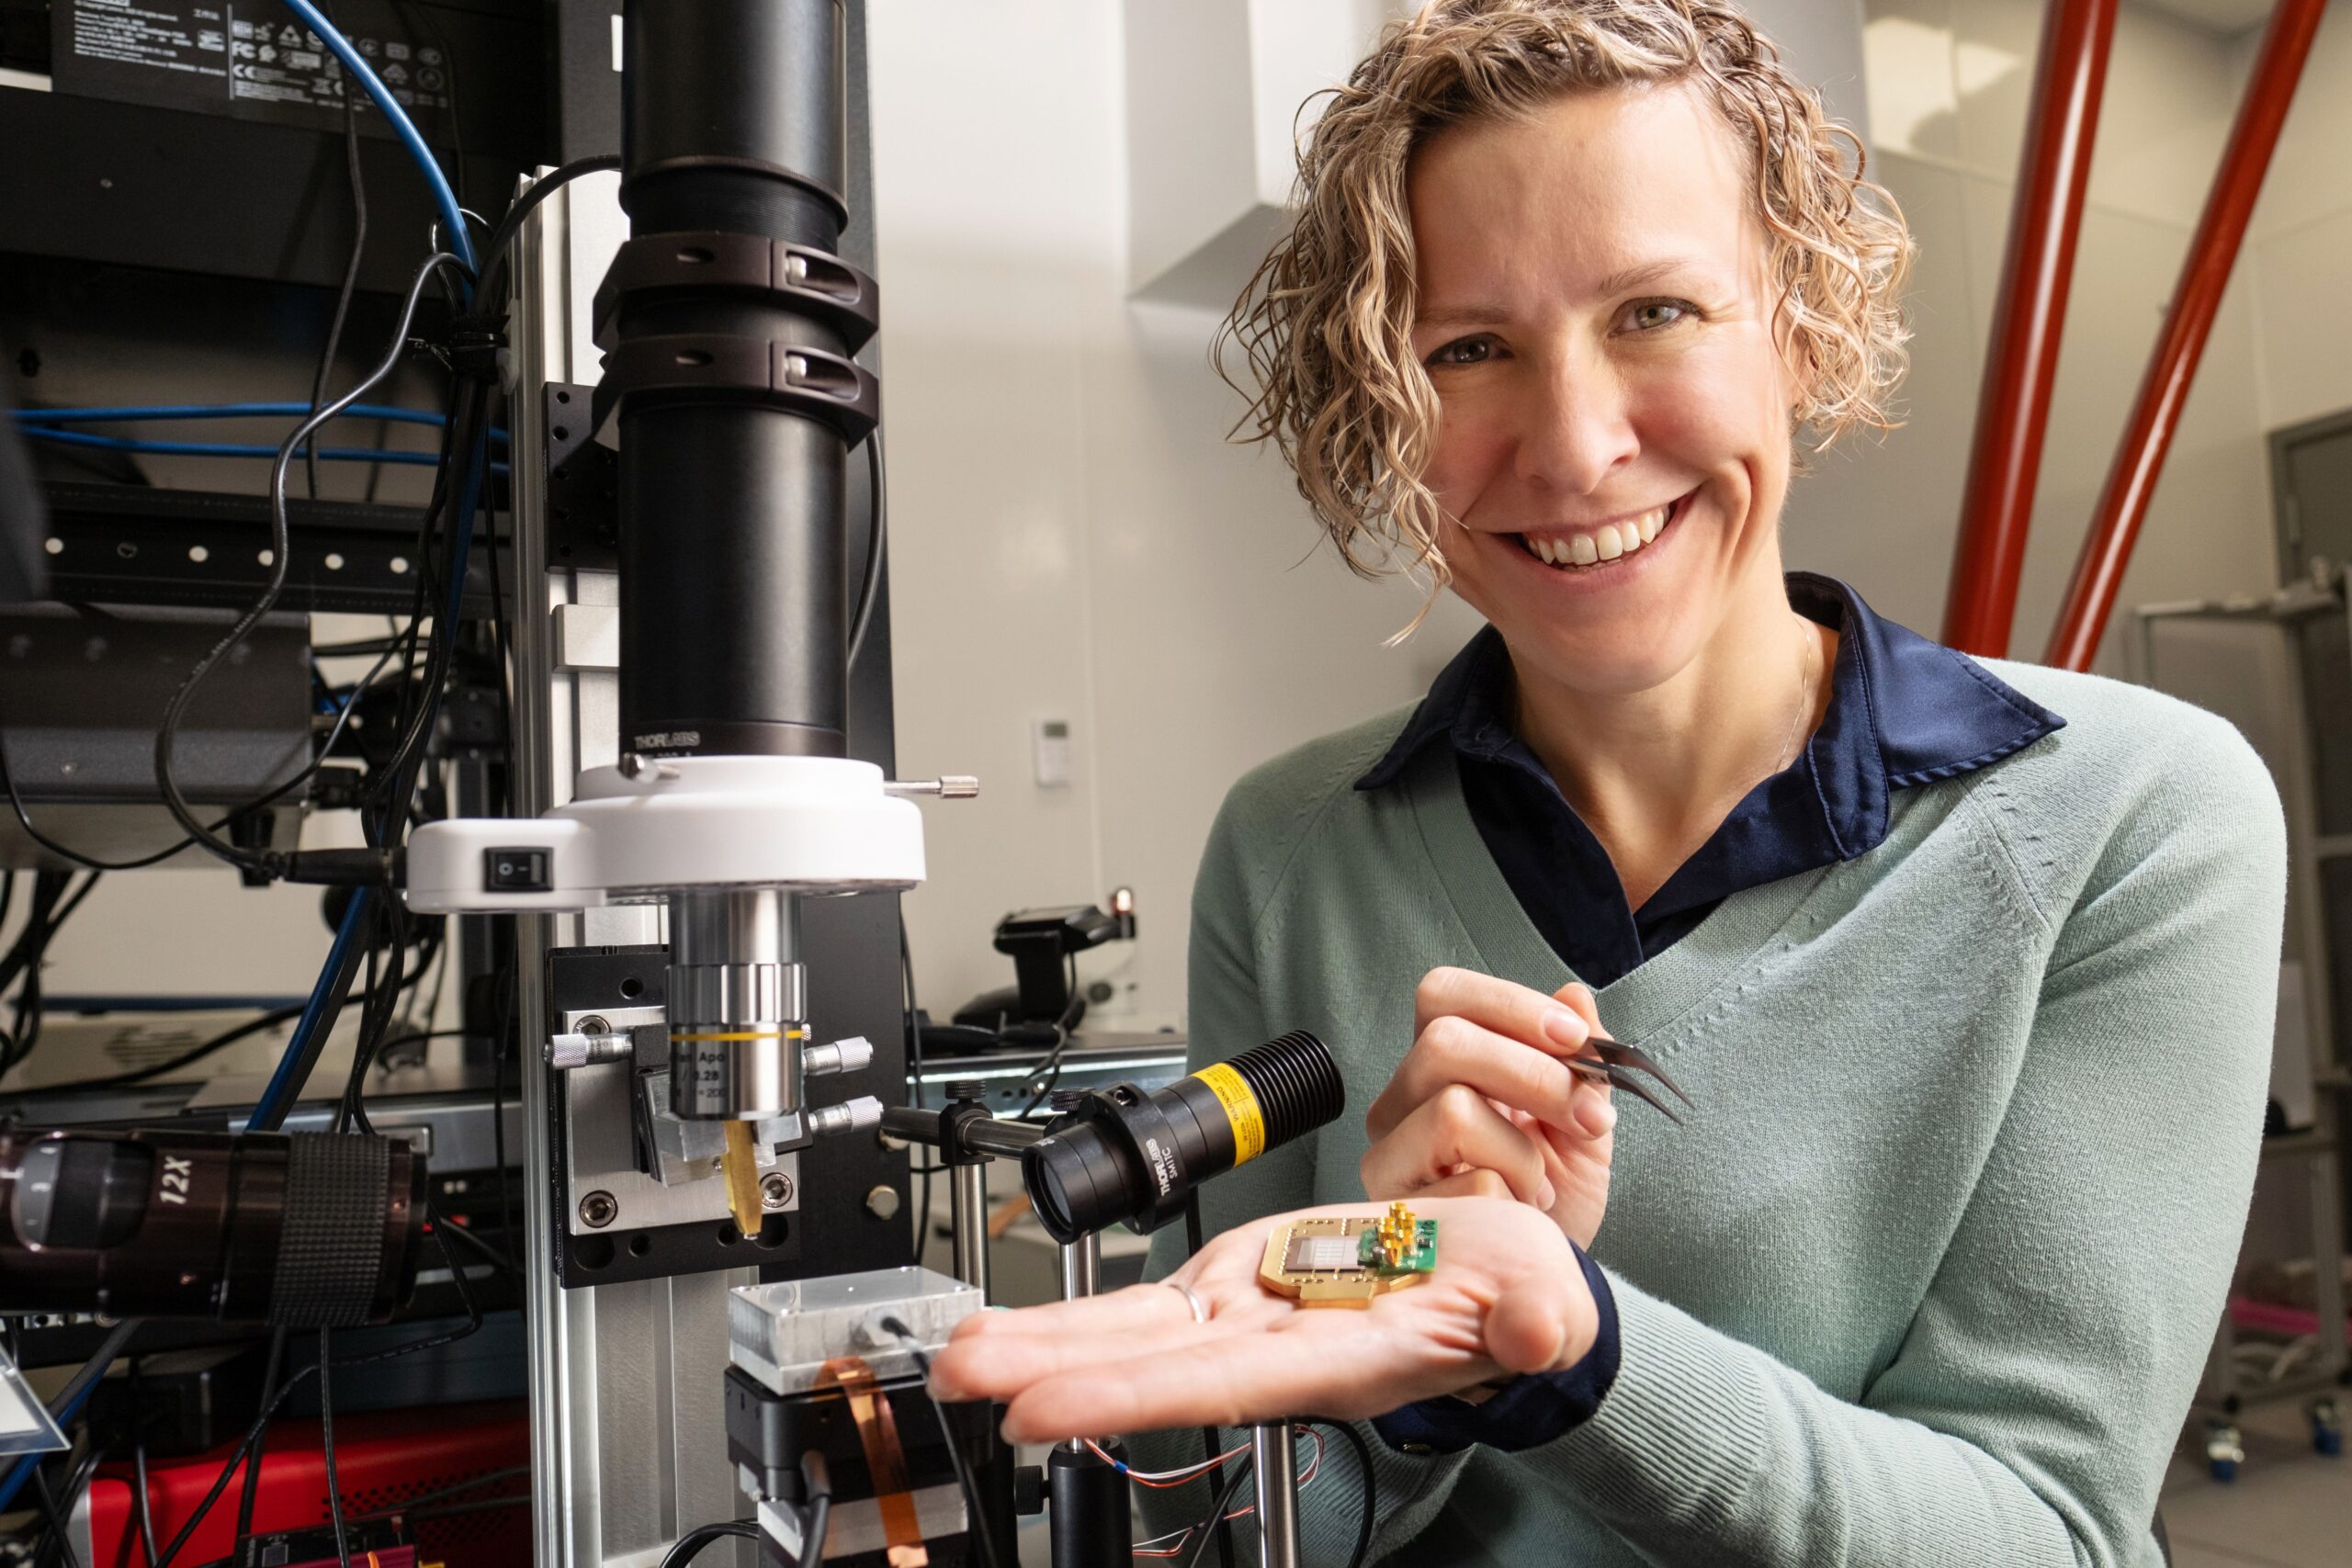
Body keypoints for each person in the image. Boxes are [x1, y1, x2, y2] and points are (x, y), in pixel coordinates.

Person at [933, 2, 2287, 1563]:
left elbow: (2047, 1535)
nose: (1575, 449)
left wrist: (1573, 1351)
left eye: (1654, 311)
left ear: (1800, 325)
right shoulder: (1291, 847)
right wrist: (1412, 1375)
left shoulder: (2133, 817)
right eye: (1468, 348)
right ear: (1386, 400)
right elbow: (1227, 1517)